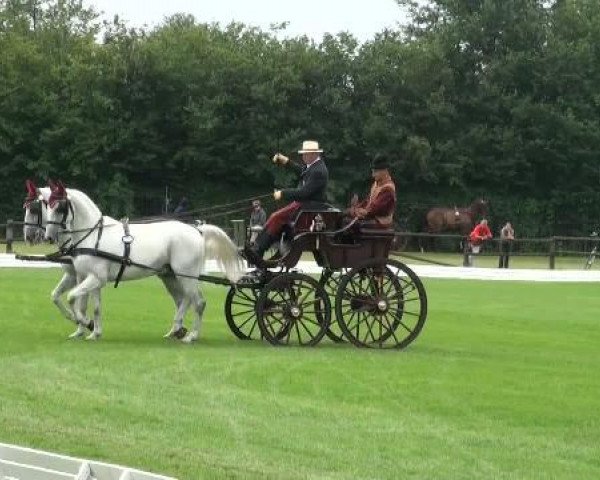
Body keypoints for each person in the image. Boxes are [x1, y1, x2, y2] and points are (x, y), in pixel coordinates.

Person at [243, 140, 328, 266]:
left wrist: (283, 193)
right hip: (304, 204)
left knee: (276, 217)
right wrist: (285, 161)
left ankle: (258, 250)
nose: (303, 156)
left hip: (308, 206)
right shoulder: (313, 166)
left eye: (305, 154)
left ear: (313, 154)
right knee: (275, 217)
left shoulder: (318, 171)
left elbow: (304, 192)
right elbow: (301, 171)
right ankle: (257, 248)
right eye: (303, 154)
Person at [347, 155, 396, 228]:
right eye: (372, 172)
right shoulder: (376, 184)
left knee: (352, 224)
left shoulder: (388, 189)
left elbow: (375, 209)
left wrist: (359, 212)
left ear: (385, 171)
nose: (373, 175)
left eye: (375, 172)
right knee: (345, 217)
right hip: (372, 217)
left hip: (381, 222)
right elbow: (368, 201)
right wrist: (356, 208)